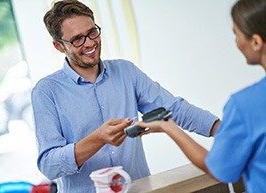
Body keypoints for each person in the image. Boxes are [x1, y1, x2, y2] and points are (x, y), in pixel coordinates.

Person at [31, 0, 220, 192]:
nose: (90, 43)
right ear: (59, 46)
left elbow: (174, 109)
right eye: (77, 39)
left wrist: (223, 130)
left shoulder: (125, 71)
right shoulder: (46, 91)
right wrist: (97, 139)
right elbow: (49, 165)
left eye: (92, 32)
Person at [136, 0, 266, 192]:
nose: (236, 42)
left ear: (255, 42)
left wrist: (168, 127)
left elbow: (219, 170)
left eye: (236, 34)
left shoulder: (245, 105)